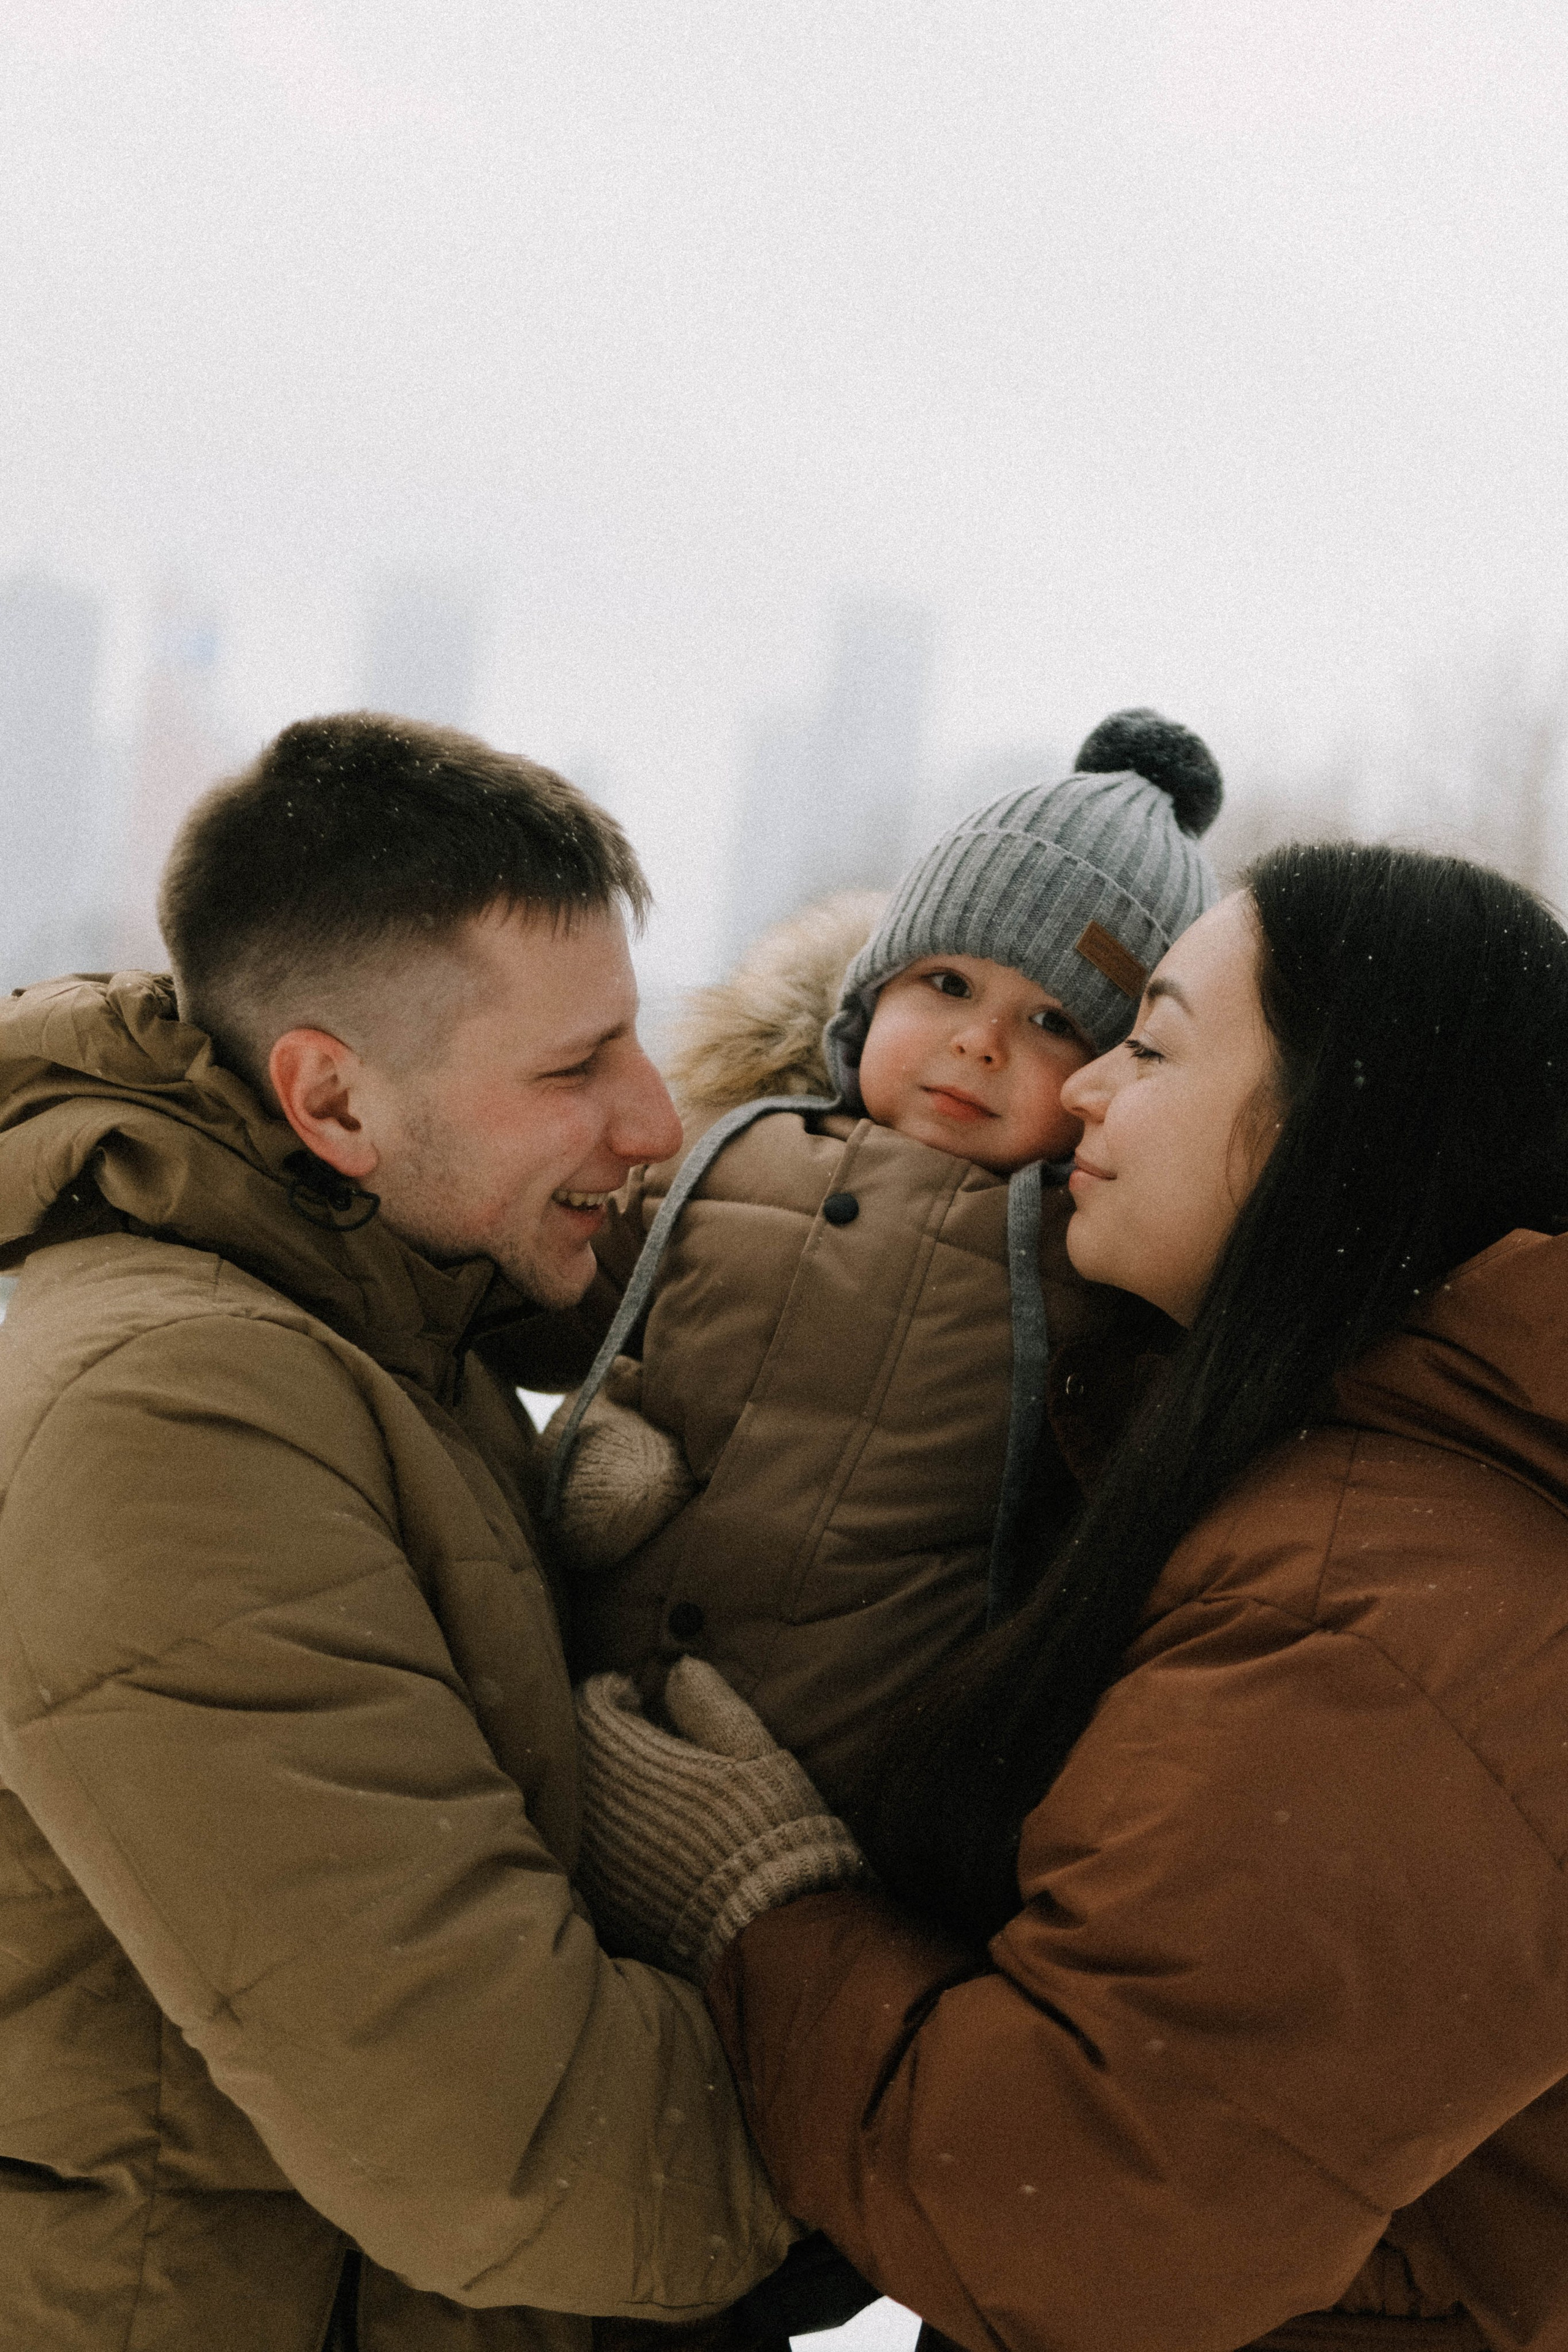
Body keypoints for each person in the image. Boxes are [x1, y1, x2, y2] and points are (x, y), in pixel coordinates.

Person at [573, 840, 1568, 2352]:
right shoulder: (1313, 1489)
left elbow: (1074, 2216)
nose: (1083, 1091)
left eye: (1146, 1044)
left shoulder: (1377, 1625)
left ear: (1331, 1134)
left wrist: (757, 1906)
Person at [0, 712, 804, 2352]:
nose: (652, 1119)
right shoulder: (172, 1417)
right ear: (332, 1100)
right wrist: (931, 2117)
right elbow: (517, 2152)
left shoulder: (380, 1322)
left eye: (633, 1043)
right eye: (575, 1068)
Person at [540, 711, 1219, 1814]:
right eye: (946, 985)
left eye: (1052, 1021)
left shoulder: (1085, 1267)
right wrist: (588, 1433)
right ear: (872, 994)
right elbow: (537, 1305)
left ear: (1111, 1081)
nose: (980, 1043)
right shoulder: (725, 1151)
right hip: (569, 1701)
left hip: (842, 1778)